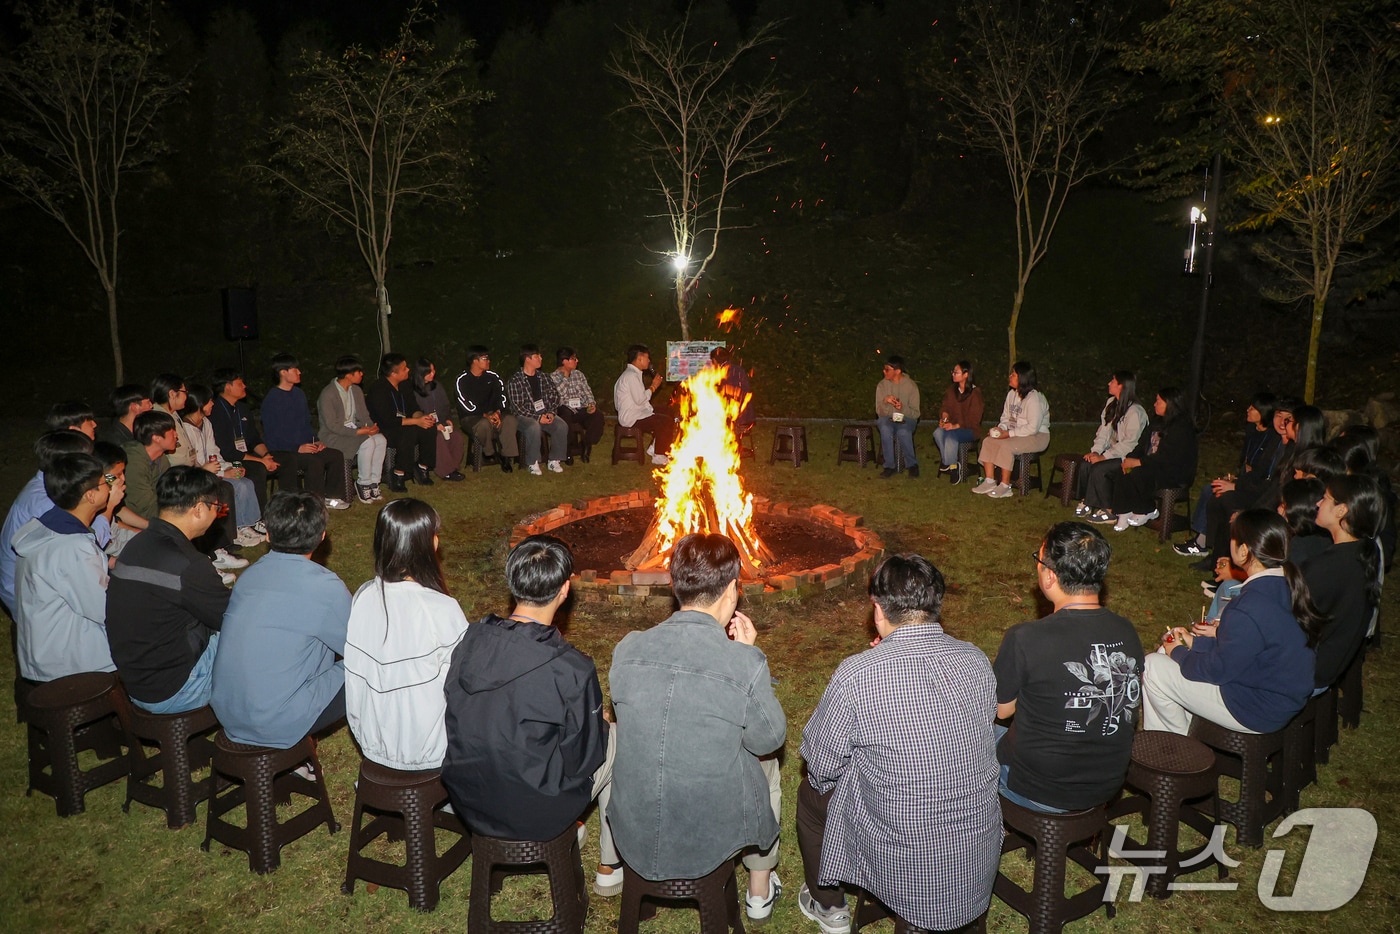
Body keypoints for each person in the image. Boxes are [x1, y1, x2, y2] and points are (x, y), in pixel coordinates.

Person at [797, 555, 1000, 934]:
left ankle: (828, 904)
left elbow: (821, 765)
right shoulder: (975, 658)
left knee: (810, 797)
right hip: (978, 836)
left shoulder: (857, 673)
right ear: (936, 604)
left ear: (878, 609)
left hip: (906, 848)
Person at [609, 533, 786, 923]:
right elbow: (769, 738)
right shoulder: (742, 663)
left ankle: (612, 867)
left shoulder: (627, 649)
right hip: (709, 838)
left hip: (633, 828)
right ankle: (760, 883)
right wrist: (747, 655)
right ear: (731, 591)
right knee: (767, 763)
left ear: (674, 585)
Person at [441, 535, 616, 887]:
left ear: (512, 581)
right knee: (619, 740)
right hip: (535, 812)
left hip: (467, 797)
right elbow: (584, 760)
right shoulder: (570, 669)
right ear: (565, 590)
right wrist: (601, 725)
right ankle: (610, 869)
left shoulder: (470, 640)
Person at [993, 522, 1143, 811]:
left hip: (1036, 787)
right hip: (1105, 785)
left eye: (1038, 561)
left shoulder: (1025, 637)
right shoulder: (1126, 631)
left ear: (1050, 576)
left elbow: (1002, 710)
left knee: (964, 738)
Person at [1144, 509, 1320, 735]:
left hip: (1256, 707)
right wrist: (1194, 644)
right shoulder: (1287, 585)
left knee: (1153, 666)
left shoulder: (1247, 606)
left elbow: (1218, 670)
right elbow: (1245, 650)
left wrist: (1178, 652)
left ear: (1244, 550)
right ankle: (1182, 734)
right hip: (1275, 692)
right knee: (1163, 652)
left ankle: (1173, 747)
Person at [211, 491, 352, 748]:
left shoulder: (249, 577)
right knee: (367, 667)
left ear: (268, 534)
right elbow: (358, 648)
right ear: (321, 536)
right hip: (276, 721)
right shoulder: (324, 587)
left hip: (228, 711)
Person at [345, 499, 468, 771]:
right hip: (427, 753)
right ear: (428, 545)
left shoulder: (363, 596)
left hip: (372, 743)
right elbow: (464, 685)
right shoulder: (441, 609)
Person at [106, 467, 231, 714]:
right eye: (215, 506)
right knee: (258, 638)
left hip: (137, 680)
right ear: (198, 509)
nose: (217, 513)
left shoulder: (137, 545)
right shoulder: (187, 564)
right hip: (175, 689)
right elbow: (231, 617)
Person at [12, 453, 117, 683]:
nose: (111, 486)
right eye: (105, 482)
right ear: (90, 495)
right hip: (72, 663)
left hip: (43, 653)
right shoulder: (73, 547)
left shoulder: (44, 526)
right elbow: (106, 609)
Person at [1174, 392, 1283, 558]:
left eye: (1253, 408)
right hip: (1246, 480)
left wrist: (1237, 484)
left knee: (1219, 495)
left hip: (1254, 488)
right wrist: (1234, 478)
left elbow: (1261, 473)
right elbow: (1245, 462)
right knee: (1209, 488)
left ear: (1264, 412)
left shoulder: (1273, 439)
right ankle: (1201, 538)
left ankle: (1203, 543)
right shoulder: (1252, 430)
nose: (1248, 410)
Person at [1305, 474, 1386, 691]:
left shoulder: (1330, 566)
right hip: (1330, 664)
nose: (1317, 503)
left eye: (1325, 498)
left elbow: (1293, 622)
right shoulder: (1366, 551)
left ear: (1342, 510)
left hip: (1307, 671)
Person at [0, 430, 95, 614]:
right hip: (24, 591)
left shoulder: (49, 484)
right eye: (87, 458)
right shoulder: (45, 500)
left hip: (35, 575)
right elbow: (84, 543)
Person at [1089, 386, 1199, 531]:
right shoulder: (1157, 422)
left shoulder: (1181, 427)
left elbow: (1169, 457)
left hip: (1174, 472)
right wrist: (1129, 459)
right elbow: (1141, 445)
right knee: (1124, 469)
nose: (1154, 404)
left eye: (1158, 401)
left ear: (1171, 404)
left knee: (1138, 473)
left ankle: (1148, 509)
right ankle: (1123, 511)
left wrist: (1140, 462)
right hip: (1153, 464)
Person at [260, 353, 351, 509]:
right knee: (313, 461)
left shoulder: (298, 394)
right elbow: (272, 436)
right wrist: (297, 448)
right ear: (283, 372)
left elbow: (305, 424)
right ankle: (313, 502)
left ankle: (331, 497)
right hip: (283, 449)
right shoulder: (272, 400)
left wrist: (316, 441)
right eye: (295, 369)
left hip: (303, 445)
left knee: (335, 455)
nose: (299, 372)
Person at [183, 384, 265, 547]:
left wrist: (228, 468)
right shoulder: (185, 429)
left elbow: (214, 451)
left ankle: (250, 523)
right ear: (200, 404)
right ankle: (238, 529)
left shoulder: (206, 423)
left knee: (246, 482)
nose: (212, 404)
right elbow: (193, 464)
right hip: (199, 475)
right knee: (237, 487)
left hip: (215, 469)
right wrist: (222, 474)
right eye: (209, 401)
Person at [1071, 371, 1147, 515]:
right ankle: (1087, 500)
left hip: (1127, 457)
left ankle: (1108, 510)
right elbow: (1104, 431)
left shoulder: (1135, 412)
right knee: (1086, 463)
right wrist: (1096, 451)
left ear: (1121, 386)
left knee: (1099, 468)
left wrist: (1104, 457)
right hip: (1111, 451)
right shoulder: (1111, 404)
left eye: (1112, 381)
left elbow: (1129, 444)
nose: (1109, 383)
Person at [317, 355, 387, 504]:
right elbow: (332, 426)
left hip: (354, 430)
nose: (362, 374)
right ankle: (363, 482)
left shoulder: (355, 390)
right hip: (333, 435)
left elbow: (364, 416)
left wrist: (371, 427)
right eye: (358, 371)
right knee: (367, 442)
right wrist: (359, 432)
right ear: (349, 375)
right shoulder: (328, 394)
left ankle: (374, 482)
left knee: (381, 439)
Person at [974, 361, 1050, 499]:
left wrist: (1008, 434)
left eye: (1013, 375)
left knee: (1006, 446)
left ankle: (1005, 485)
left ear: (1023, 378)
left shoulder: (1034, 399)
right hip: (1017, 433)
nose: (1010, 377)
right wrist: (1000, 429)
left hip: (1038, 436)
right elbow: (1005, 418)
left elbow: (1032, 428)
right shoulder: (1011, 395)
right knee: (988, 441)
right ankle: (989, 480)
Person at [208, 368, 281, 511]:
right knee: (258, 468)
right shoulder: (216, 411)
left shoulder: (242, 408)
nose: (244, 386)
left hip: (245, 454)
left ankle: (289, 505)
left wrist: (267, 456)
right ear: (228, 386)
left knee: (283, 459)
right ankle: (262, 514)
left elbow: (253, 438)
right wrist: (261, 461)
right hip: (229, 459)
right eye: (240, 383)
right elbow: (228, 451)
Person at [366, 353, 438, 492]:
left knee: (428, 427)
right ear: (393, 373)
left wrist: (422, 419)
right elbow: (388, 420)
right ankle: (398, 474)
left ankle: (422, 467)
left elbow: (413, 408)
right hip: (385, 428)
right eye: (404, 369)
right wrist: (416, 421)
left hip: (406, 423)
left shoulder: (404, 385)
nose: (408, 370)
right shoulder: (379, 389)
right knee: (408, 433)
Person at [454, 346, 519, 473]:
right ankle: (490, 452)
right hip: (471, 417)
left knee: (510, 420)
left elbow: (503, 397)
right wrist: (485, 415)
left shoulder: (493, 377)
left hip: (493, 413)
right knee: (484, 424)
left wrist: (498, 412)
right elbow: (465, 404)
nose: (488, 361)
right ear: (474, 361)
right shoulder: (462, 380)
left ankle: (506, 457)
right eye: (485, 358)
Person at [506, 344, 569, 476]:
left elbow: (555, 397)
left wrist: (551, 413)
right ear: (527, 359)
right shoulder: (516, 380)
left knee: (561, 425)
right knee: (533, 426)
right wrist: (538, 417)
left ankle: (554, 460)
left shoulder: (544, 377)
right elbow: (518, 407)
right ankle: (532, 462)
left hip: (544, 413)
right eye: (537, 356)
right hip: (523, 416)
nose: (541, 358)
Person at [613, 344, 673, 466]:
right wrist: (653, 386)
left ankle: (654, 447)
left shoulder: (633, 373)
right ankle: (659, 455)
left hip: (637, 412)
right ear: (640, 358)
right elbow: (640, 400)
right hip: (632, 417)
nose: (649, 361)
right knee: (664, 421)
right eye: (647, 357)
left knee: (668, 411)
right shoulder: (631, 376)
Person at [412, 358, 466, 481]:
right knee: (438, 437)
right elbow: (415, 413)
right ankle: (446, 471)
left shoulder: (437, 386)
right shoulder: (413, 390)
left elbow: (445, 406)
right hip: (423, 425)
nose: (433, 374)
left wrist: (447, 419)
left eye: (433, 370)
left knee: (456, 435)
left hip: (439, 422)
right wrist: (434, 425)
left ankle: (453, 466)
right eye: (429, 372)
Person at [551, 346, 606, 462]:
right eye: (573, 359)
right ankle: (568, 449)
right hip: (564, 410)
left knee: (598, 416)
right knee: (565, 412)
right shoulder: (553, 377)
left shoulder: (579, 375)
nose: (577, 361)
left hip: (580, 408)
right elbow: (560, 398)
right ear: (564, 361)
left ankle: (586, 444)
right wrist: (565, 377)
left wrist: (591, 404)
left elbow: (587, 392)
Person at [932, 360, 985, 479]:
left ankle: (952, 469)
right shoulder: (952, 390)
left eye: (956, 372)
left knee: (951, 436)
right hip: (953, 426)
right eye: (953, 372)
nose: (953, 374)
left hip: (969, 429)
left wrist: (955, 426)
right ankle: (952, 464)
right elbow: (945, 407)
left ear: (966, 375)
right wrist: (944, 417)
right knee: (938, 432)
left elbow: (974, 419)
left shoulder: (975, 393)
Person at [874, 356, 920, 479]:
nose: (884, 372)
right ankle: (889, 466)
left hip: (907, 419)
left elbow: (916, 413)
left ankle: (912, 466)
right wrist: (885, 401)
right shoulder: (882, 386)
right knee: (885, 428)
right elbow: (878, 411)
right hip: (887, 418)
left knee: (903, 431)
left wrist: (902, 408)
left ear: (897, 371)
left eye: (887, 369)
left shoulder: (911, 386)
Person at [709, 346, 756, 437]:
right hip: (747, 415)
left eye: (712, 360)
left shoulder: (723, 373)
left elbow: (723, 397)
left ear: (715, 360)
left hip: (736, 418)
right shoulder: (738, 369)